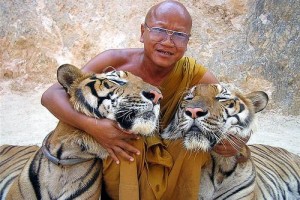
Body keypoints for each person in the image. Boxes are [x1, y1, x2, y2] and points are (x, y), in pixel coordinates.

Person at [41, 1, 248, 199]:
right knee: (126, 142)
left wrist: (240, 140)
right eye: (159, 30)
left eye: (179, 35)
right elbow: (51, 95)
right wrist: (95, 128)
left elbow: (232, 111)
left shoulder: (197, 76)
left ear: (187, 42)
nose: (167, 41)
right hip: (124, 151)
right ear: (142, 32)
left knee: (192, 149)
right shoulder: (114, 61)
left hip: (172, 156)